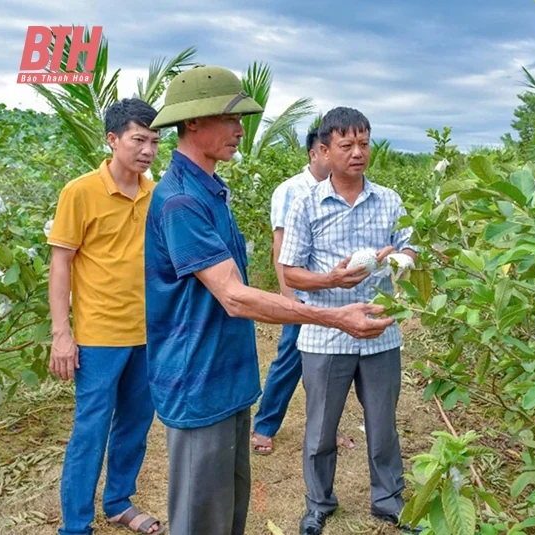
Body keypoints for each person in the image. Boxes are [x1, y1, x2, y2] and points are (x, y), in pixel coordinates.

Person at [145, 66, 394, 535]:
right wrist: (334, 316)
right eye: (230, 118)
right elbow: (235, 297)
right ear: (192, 123)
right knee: (202, 519)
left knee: (227, 511)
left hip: (225, 380)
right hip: (197, 382)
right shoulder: (181, 201)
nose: (241, 130)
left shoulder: (210, 190)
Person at [279, 107, 421, 535]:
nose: (358, 152)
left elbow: (411, 247)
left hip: (380, 332)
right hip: (326, 334)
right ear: (324, 150)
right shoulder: (306, 203)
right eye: (346, 145)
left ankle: (388, 500)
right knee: (321, 428)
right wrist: (331, 279)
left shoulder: (389, 200)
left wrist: (401, 258)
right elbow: (289, 271)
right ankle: (318, 503)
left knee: (383, 425)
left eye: (364, 143)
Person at [48, 98, 164, 535]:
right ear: (113, 140)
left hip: (149, 334)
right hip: (99, 335)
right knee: (90, 431)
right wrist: (63, 334)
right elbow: (61, 264)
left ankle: (118, 500)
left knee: (135, 424)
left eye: (155, 141)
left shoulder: (157, 194)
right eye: (139, 139)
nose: (148, 150)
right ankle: (75, 525)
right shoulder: (80, 192)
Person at [251, 126, 331, 455]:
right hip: (301, 290)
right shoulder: (291, 190)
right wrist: (287, 294)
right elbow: (280, 241)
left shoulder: (338, 188)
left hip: (331, 289)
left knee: (329, 364)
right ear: (315, 153)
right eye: (331, 149)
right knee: (290, 358)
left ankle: (326, 430)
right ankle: (265, 426)